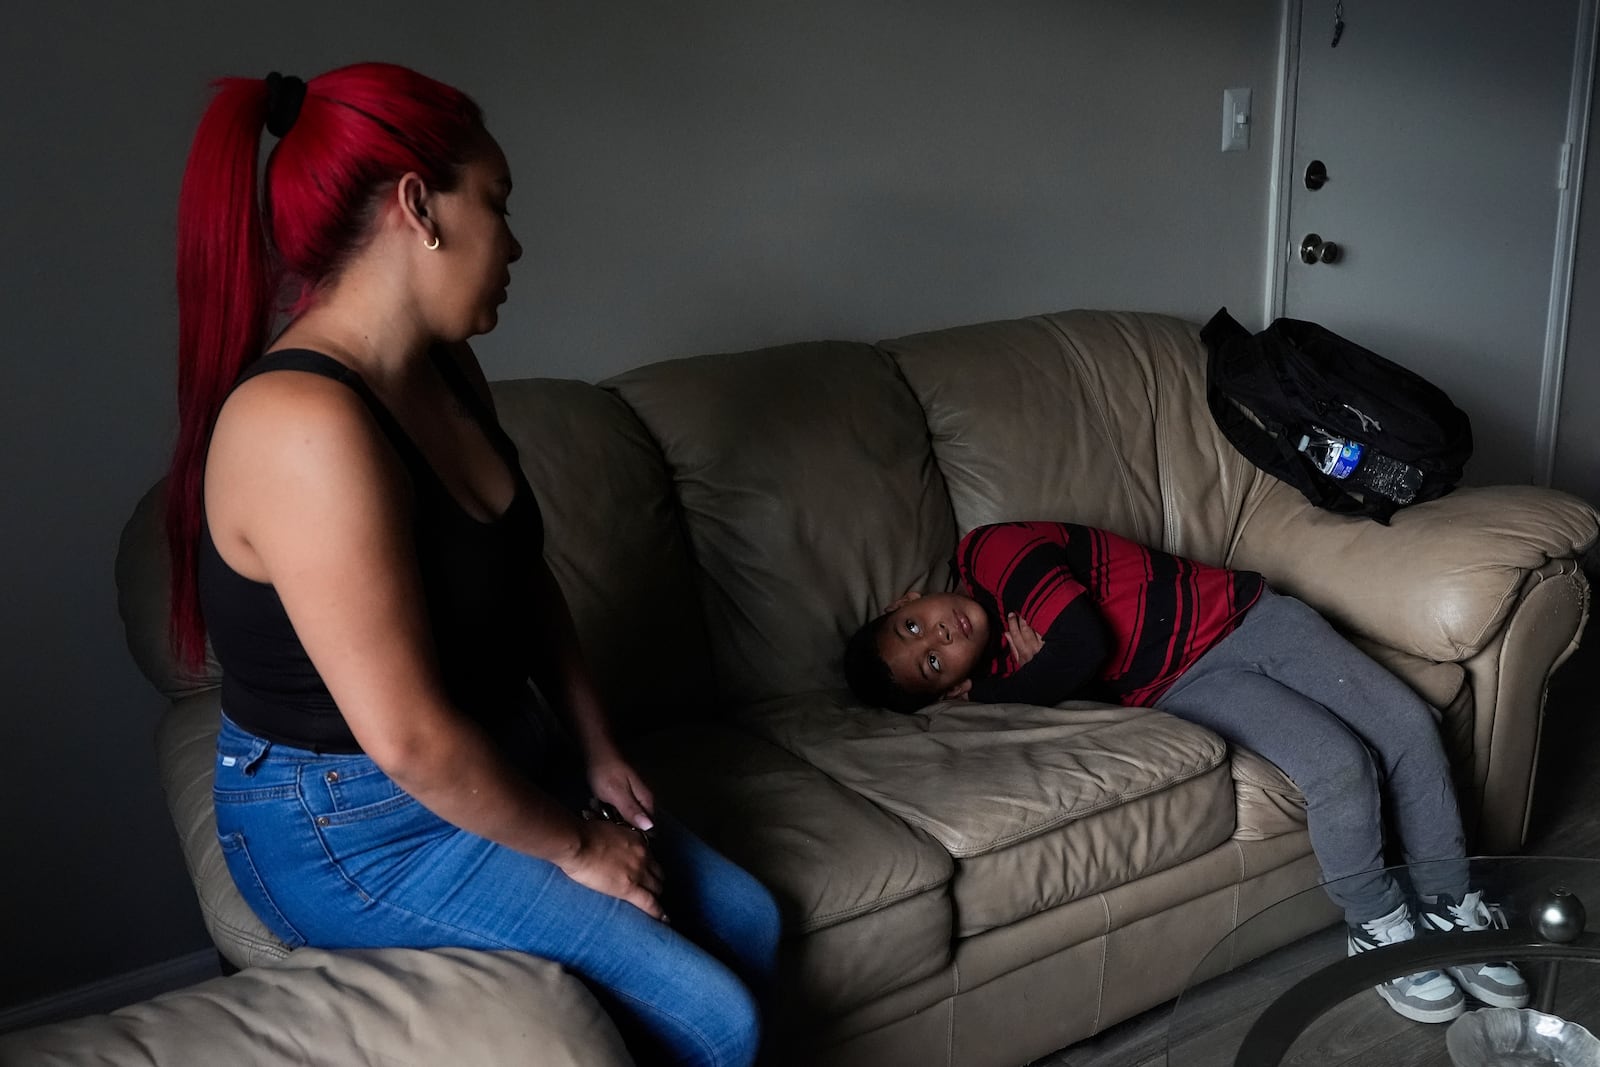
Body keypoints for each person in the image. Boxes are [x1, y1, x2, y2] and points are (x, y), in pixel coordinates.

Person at [165, 64, 780, 1067]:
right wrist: (580, 847)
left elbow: (523, 576)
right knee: (719, 1014)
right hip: (351, 818)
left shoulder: (446, 367)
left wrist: (595, 746)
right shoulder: (300, 425)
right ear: (419, 205)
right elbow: (406, 737)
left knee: (749, 917)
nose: (516, 241)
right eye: (496, 201)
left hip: (494, 743)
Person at [843, 520, 1527, 1025]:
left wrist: (1025, 681)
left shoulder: (989, 552)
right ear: (948, 688)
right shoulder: (1004, 665)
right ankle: (1377, 923)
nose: (940, 637)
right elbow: (1086, 671)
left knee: (1407, 723)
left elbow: (1084, 643)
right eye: (933, 663)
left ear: (910, 595)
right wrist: (1033, 676)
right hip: (1182, 685)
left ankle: (1451, 903)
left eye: (914, 626)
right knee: (1338, 764)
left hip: (1250, 617)